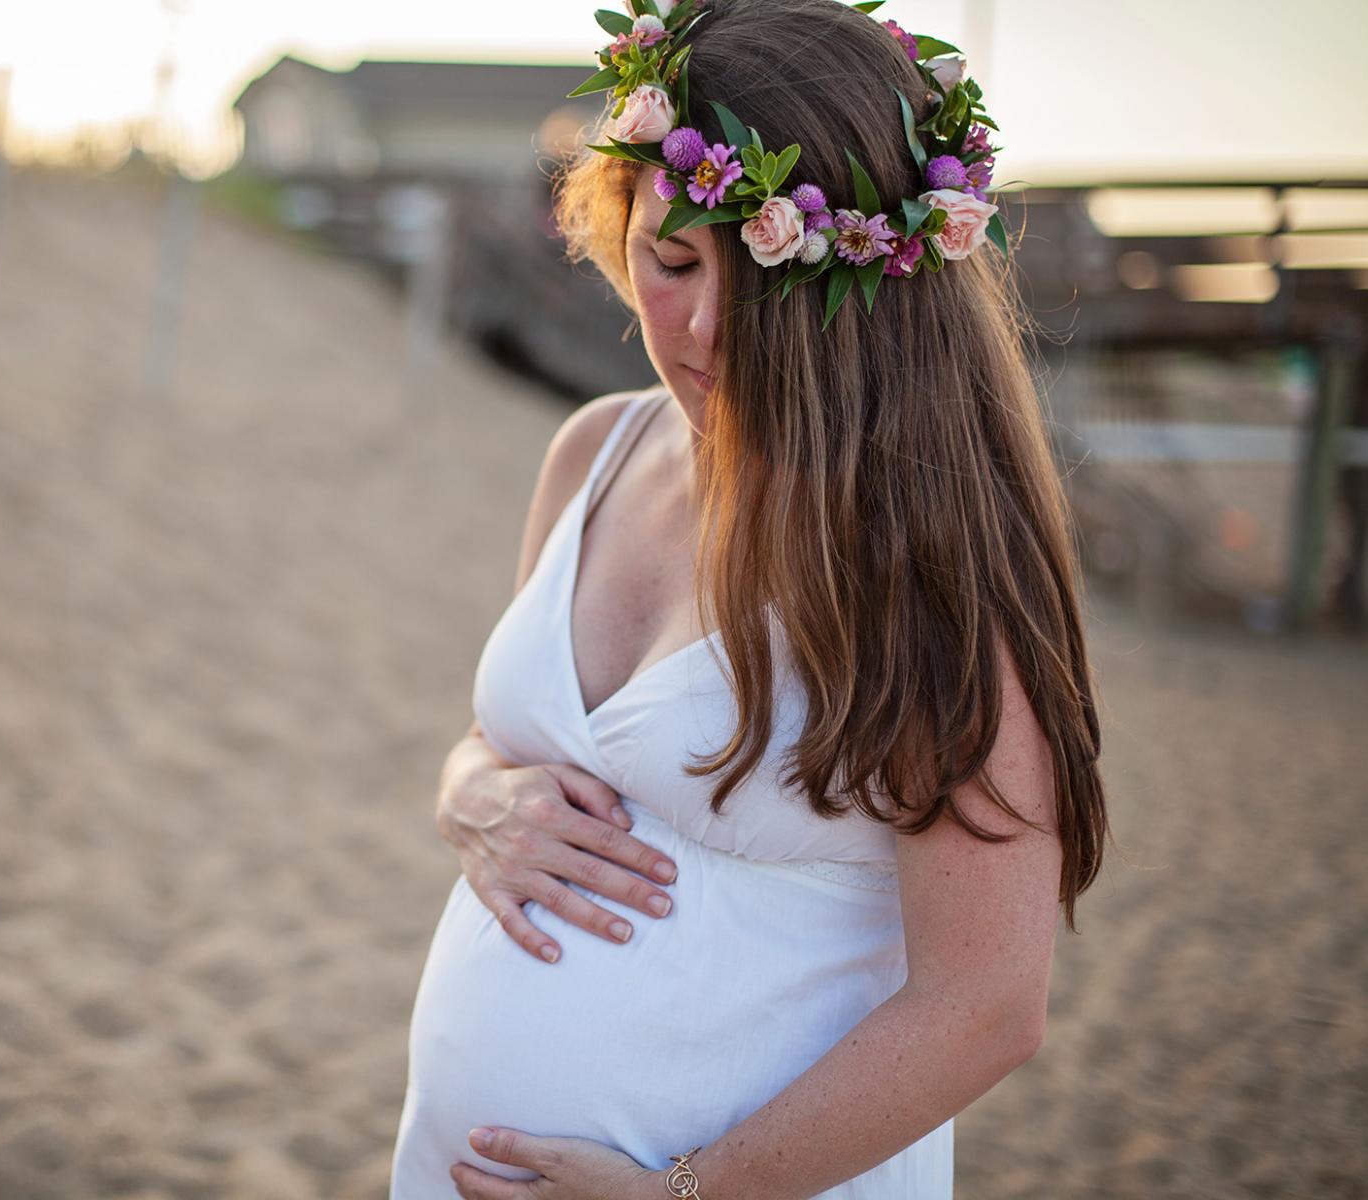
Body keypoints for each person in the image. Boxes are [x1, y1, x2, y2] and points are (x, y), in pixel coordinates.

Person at [389, 1, 1110, 1196]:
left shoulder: (921, 555)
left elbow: (985, 1006)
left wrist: (684, 1195)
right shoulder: (596, 452)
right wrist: (473, 797)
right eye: (667, 261)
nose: (701, 326)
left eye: (752, 279)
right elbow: (495, 741)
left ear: (866, 290)